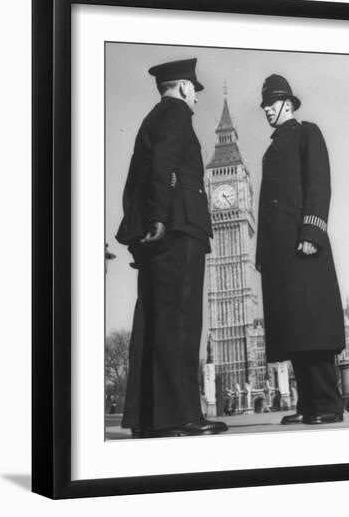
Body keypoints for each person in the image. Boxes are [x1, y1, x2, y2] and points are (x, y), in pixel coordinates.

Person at [115, 58, 228, 438]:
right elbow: (165, 162)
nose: (195, 97)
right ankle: (181, 416)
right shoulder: (177, 113)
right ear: (182, 87)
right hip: (179, 229)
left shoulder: (151, 119)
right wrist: (163, 217)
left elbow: (134, 183)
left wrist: (141, 231)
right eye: (194, 89)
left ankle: (148, 419)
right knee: (180, 324)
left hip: (156, 234)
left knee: (152, 324)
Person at [256, 74, 346, 425]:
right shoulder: (272, 147)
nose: (266, 110)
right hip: (280, 254)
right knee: (295, 329)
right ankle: (308, 404)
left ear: (288, 105)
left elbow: (319, 182)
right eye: (264, 105)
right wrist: (263, 254)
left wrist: (312, 230)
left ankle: (328, 404)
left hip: (304, 245)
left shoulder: (308, 132)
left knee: (313, 326)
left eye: (272, 104)